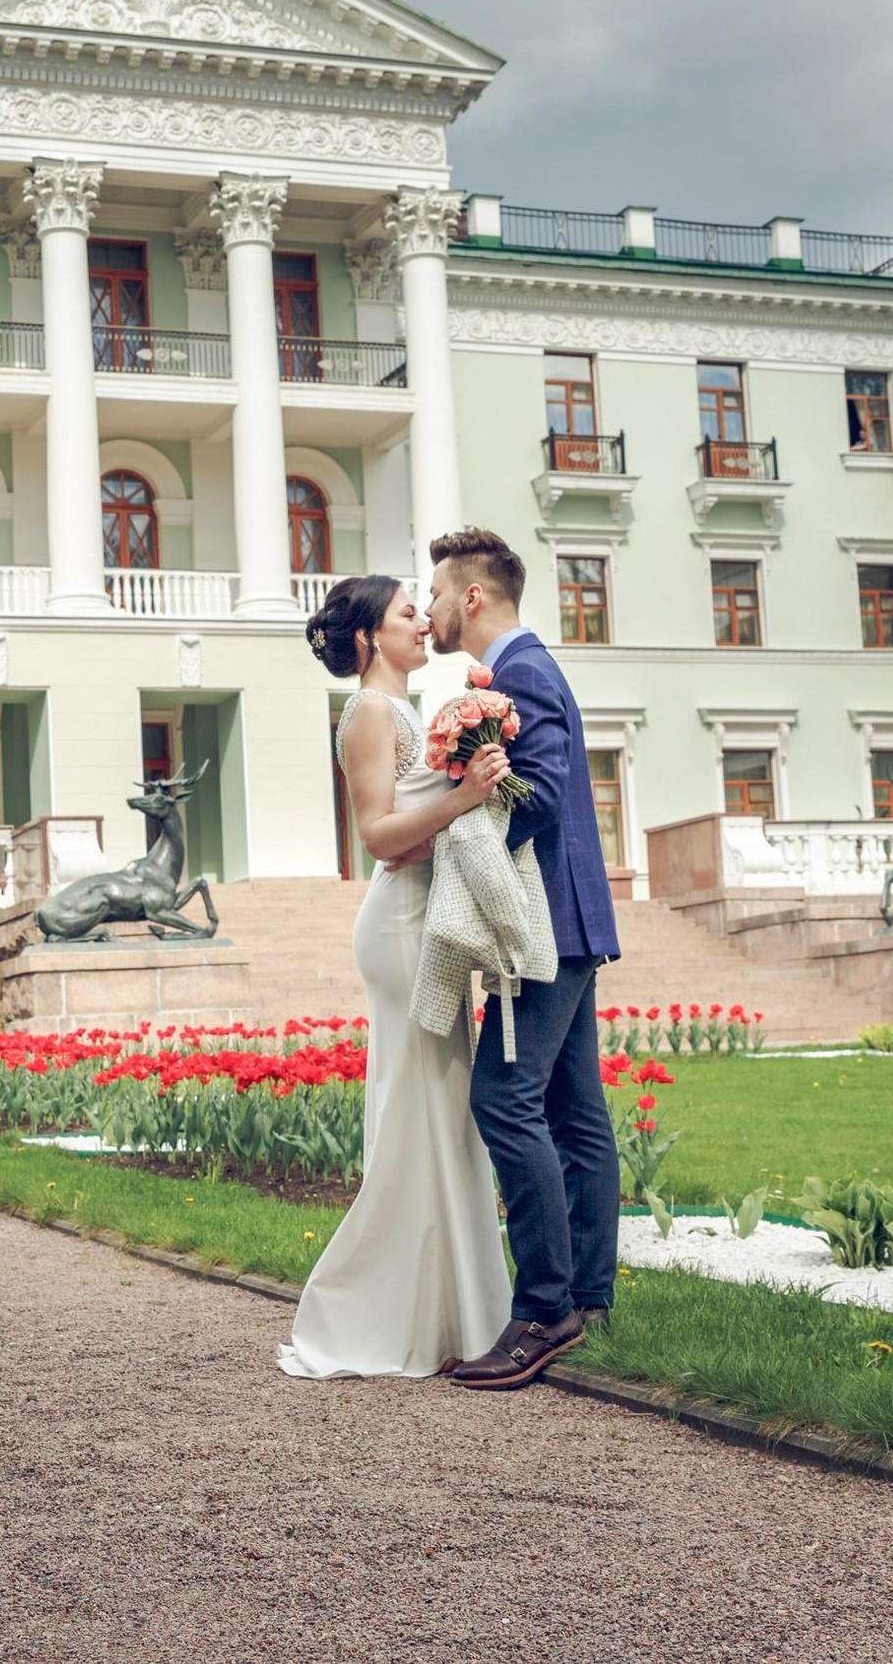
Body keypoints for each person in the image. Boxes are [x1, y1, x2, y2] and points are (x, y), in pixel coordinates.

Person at [277, 575, 515, 1380]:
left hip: (427, 919)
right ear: (369, 639)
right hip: (406, 924)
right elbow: (379, 836)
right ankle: (378, 1311)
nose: (425, 621)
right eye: (407, 613)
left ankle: (452, 1314)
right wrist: (466, 798)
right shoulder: (372, 714)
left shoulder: (408, 711)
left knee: (441, 1116)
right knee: (427, 1113)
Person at [423, 528, 623, 1391]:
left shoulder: (522, 674)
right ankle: (589, 1300)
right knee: (576, 1113)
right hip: (573, 922)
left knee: (504, 1096)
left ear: (472, 597)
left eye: (435, 593)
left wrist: (471, 791)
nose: (427, 608)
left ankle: (542, 1309)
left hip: (541, 929)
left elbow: (536, 792)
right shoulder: (527, 670)